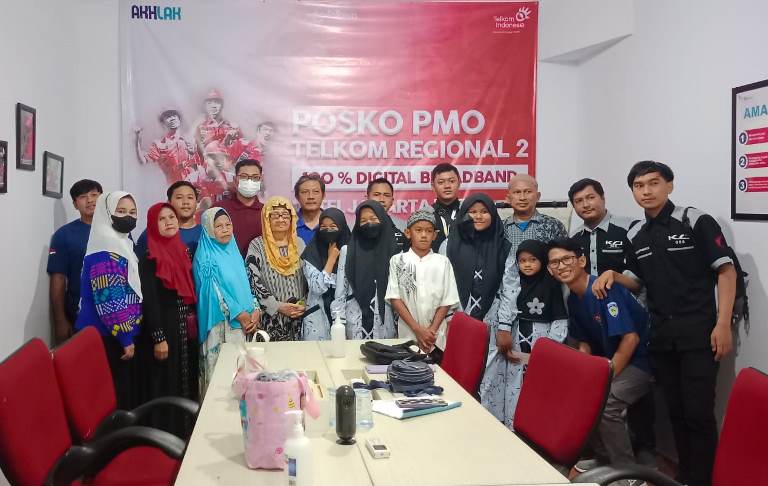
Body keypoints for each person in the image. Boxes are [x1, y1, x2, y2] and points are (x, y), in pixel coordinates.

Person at [594, 161, 736, 486]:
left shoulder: (694, 220)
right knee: (675, 413)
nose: (646, 191)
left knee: (699, 414)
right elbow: (635, 281)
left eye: (653, 183)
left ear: (669, 185)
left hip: (700, 334)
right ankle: (683, 477)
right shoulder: (635, 233)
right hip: (661, 337)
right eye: (638, 186)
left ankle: (703, 481)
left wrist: (723, 324)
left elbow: (725, 271)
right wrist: (612, 274)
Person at [568, 177, 656, 467]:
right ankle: (606, 457)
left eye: (590, 197)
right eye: (579, 201)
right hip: (598, 327)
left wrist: (613, 277)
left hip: (629, 320)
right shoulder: (574, 240)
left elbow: (640, 277)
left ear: (603, 197)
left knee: (629, 399)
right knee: (591, 393)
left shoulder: (629, 228)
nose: (586, 204)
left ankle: (638, 460)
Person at [548, 238, 651, 483]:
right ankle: (605, 457)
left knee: (606, 403)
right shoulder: (573, 298)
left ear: (582, 260)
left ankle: (629, 473)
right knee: (582, 393)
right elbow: (584, 342)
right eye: (555, 263)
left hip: (641, 363)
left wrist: (605, 377)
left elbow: (631, 339)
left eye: (567, 259)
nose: (561, 266)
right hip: (610, 362)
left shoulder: (603, 289)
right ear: (550, 270)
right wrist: (584, 376)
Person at [480, 239, 568, 428]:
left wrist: (549, 349)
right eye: (522, 260)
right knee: (512, 385)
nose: (527, 264)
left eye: (533, 260)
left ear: (542, 260)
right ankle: (510, 427)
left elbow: (559, 319)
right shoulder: (513, 285)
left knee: (537, 387)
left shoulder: (552, 285)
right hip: (515, 344)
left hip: (540, 343)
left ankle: (533, 430)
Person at [75, 191, 142, 409]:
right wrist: (125, 337)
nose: (128, 216)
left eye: (133, 212)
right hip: (106, 336)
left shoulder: (122, 243)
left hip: (115, 334)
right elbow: (110, 301)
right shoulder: (105, 249)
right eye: (120, 211)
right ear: (106, 213)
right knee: (112, 400)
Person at [138, 203, 199, 438]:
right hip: (164, 329)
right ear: (153, 225)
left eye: (171, 217)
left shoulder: (183, 251)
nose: (169, 222)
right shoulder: (149, 258)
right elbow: (149, 301)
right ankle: (164, 437)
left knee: (184, 379)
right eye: (162, 219)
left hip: (183, 329)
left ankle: (185, 433)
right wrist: (159, 337)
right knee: (164, 382)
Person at [194, 207, 259, 395]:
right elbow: (213, 294)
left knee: (241, 376)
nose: (225, 229)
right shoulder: (205, 256)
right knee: (221, 380)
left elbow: (245, 286)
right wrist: (240, 314)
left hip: (244, 323)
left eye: (228, 225)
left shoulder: (233, 251)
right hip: (222, 326)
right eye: (218, 226)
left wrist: (255, 310)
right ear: (208, 229)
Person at [385, 208, 459, 352]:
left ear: (434, 235)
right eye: (418, 230)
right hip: (408, 332)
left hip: (435, 336)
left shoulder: (443, 262)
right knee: (408, 364)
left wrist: (431, 331)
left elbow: (447, 300)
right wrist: (418, 330)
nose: (424, 235)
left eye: (429, 231)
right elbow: (395, 298)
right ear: (408, 233)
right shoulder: (398, 261)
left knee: (435, 366)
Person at [441, 194, 515, 323]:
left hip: (494, 321)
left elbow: (510, 288)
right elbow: (442, 285)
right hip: (455, 320)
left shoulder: (503, 247)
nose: (478, 216)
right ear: (463, 214)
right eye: (472, 212)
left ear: (493, 214)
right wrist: (448, 318)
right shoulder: (449, 245)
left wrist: (505, 324)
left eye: (484, 212)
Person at [332, 201, 399, 339]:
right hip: (355, 320)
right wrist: (338, 323)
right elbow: (340, 291)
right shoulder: (348, 250)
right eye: (363, 221)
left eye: (374, 219)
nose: (369, 223)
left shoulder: (393, 251)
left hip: (384, 320)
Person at [47, 179, 103, 344]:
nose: (90, 200)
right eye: (83, 197)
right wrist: (60, 321)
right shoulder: (63, 235)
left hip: (117, 313)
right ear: (75, 204)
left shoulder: (118, 229)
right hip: (81, 315)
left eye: (94, 195)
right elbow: (58, 279)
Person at [245, 196, 307, 341]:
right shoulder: (257, 245)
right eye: (275, 215)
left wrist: (304, 303)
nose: (281, 219)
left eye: (285, 215)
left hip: (298, 316)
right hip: (270, 318)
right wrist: (276, 306)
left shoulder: (299, 243)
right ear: (267, 219)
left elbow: (309, 277)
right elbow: (252, 280)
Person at [301, 208, 351, 340]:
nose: (328, 231)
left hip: (347, 317)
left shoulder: (352, 252)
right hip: (318, 318)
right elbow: (316, 288)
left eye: (333, 227)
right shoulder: (311, 254)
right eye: (323, 227)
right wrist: (331, 260)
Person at [503, 174, 567, 255]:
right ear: (508, 198)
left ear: (537, 196)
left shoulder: (553, 225)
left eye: (528, 192)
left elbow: (564, 257)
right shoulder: (500, 228)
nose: (522, 197)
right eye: (517, 192)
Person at [136, 181, 203, 256]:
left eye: (190, 197)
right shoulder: (154, 232)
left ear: (196, 203)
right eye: (179, 197)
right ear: (169, 203)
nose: (185, 202)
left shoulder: (206, 234)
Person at [214, 158, 264, 257]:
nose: (249, 181)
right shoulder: (219, 210)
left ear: (260, 180)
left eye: (255, 177)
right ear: (235, 180)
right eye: (244, 177)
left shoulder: (267, 212)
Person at [135, 109, 199, 185]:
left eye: (174, 115)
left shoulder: (190, 139)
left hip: (196, 185)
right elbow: (143, 160)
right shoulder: (159, 144)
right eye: (168, 117)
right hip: (176, 187)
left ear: (179, 120)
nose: (172, 118)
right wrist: (137, 137)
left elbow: (203, 161)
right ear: (163, 123)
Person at [366, 177, 407, 251]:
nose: (382, 199)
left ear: (392, 201)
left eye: (386, 195)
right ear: (367, 198)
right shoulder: (357, 235)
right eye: (376, 194)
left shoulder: (400, 238)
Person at [431, 163, 462, 252]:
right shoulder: (425, 215)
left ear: (459, 183)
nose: (447, 186)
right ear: (433, 186)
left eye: (452, 181)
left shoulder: (468, 212)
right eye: (441, 182)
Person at [294, 173, 325, 246]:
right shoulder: (289, 224)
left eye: (316, 192)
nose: (311, 197)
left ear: (323, 195)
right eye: (305, 192)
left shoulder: (335, 223)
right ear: (297, 197)